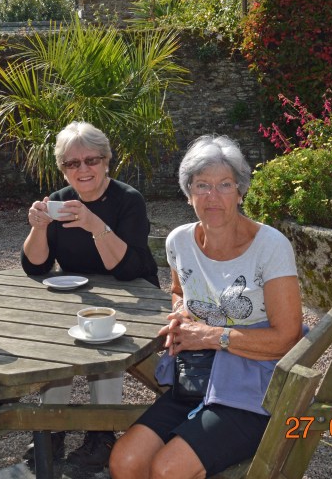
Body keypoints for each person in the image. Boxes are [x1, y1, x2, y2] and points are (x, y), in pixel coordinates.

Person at [109, 135, 303, 479]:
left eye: (224, 185)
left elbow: (288, 339)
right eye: (202, 185)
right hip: (198, 378)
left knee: (168, 470)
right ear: (188, 193)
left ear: (241, 191)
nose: (212, 197)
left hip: (256, 389)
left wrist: (212, 336)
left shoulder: (270, 247)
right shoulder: (179, 241)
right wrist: (182, 313)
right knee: (125, 461)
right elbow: (180, 290)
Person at [23, 121, 159, 469]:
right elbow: (37, 267)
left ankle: (101, 434)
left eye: (91, 160)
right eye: (72, 163)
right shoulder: (58, 202)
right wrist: (39, 228)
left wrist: (96, 225)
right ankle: (51, 428)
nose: (83, 169)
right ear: (63, 169)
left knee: (106, 340)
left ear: (107, 161)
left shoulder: (128, 200)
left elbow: (129, 270)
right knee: (59, 342)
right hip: (80, 297)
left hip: (136, 300)